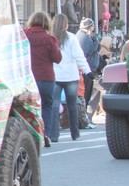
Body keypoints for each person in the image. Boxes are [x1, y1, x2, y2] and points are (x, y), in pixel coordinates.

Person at [51, 14, 92, 143]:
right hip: (71, 75)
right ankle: (75, 133)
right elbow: (79, 56)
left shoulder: (51, 38)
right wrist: (87, 71)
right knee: (72, 105)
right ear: (66, 24)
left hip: (55, 75)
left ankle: (54, 134)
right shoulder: (72, 38)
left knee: (54, 104)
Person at [24, 11, 61, 148]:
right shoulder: (50, 39)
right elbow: (57, 58)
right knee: (47, 105)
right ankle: (44, 133)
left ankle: (30, 134)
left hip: (29, 78)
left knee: (28, 107)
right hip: (46, 78)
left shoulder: (24, 35)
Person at [75, 18, 100, 129]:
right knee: (85, 94)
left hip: (87, 69)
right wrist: (95, 40)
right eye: (92, 26)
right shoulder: (84, 38)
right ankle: (83, 118)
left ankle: (84, 117)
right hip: (87, 70)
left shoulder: (82, 36)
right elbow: (91, 50)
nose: (94, 28)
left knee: (87, 94)